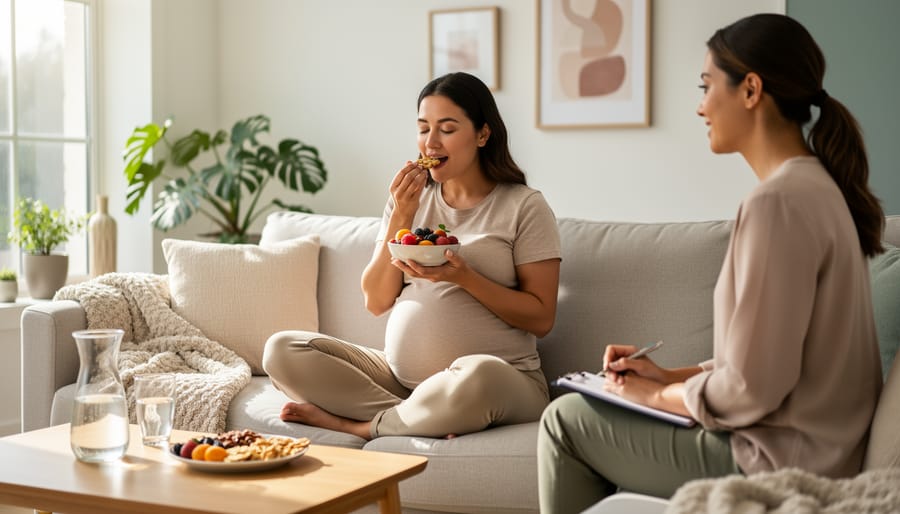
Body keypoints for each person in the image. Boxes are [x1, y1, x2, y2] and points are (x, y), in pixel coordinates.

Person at [537, 13, 884, 513]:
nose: (700, 107)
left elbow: (749, 389)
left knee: (565, 420)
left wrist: (652, 399)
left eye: (706, 86)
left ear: (750, 90)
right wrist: (669, 377)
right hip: (820, 446)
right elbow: (775, 360)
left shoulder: (777, 205)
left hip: (781, 460)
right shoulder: (819, 191)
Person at [262, 72, 562, 440]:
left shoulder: (524, 206)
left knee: (477, 377)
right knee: (283, 350)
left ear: (483, 135)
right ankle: (427, 416)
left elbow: (541, 317)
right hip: (399, 382)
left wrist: (464, 277)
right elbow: (375, 300)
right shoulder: (408, 200)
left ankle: (359, 425)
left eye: (447, 129)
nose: (430, 142)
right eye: (423, 128)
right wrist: (402, 215)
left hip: (502, 378)